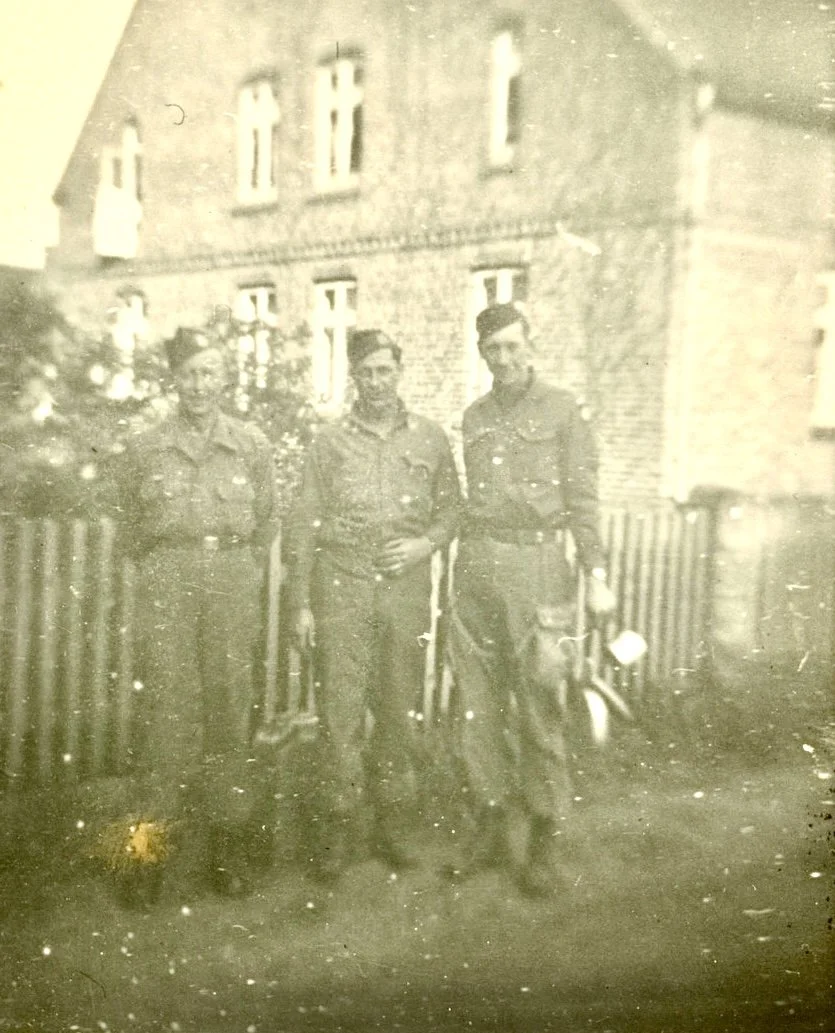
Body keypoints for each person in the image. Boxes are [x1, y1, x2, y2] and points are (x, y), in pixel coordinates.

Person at [446, 301, 616, 898]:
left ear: (530, 344)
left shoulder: (564, 410)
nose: (505, 358)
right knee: (479, 709)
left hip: (541, 567)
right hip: (478, 568)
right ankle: (492, 831)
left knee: (541, 706)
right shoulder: (474, 416)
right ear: (483, 354)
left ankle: (543, 839)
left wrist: (595, 574)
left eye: (514, 346)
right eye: (494, 349)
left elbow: (583, 499)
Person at [114, 327, 278, 906]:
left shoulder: (252, 445)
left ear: (224, 376)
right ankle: (146, 858)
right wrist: (170, 568)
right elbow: (130, 526)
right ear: (174, 380)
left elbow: (266, 526)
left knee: (231, 712)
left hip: (230, 578)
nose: (199, 384)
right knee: (162, 715)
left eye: (209, 372)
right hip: (168, 581)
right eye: (189, 374)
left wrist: (234, 573)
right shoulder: (145, 447)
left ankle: (228, 854)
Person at [288, 329, 461, 879]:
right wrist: (300, 604)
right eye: (367, 372)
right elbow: (303, 525)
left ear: (399, 371)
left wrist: (424, 544)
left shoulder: (430, 439)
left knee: (397, 710)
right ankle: (337, 831)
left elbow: (454, 512)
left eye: (386, 370)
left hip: (405, 590)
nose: (378, 381)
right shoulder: (329, 442)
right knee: (339, 714)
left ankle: (393, 827)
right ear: (354, 377)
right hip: (342, 586)